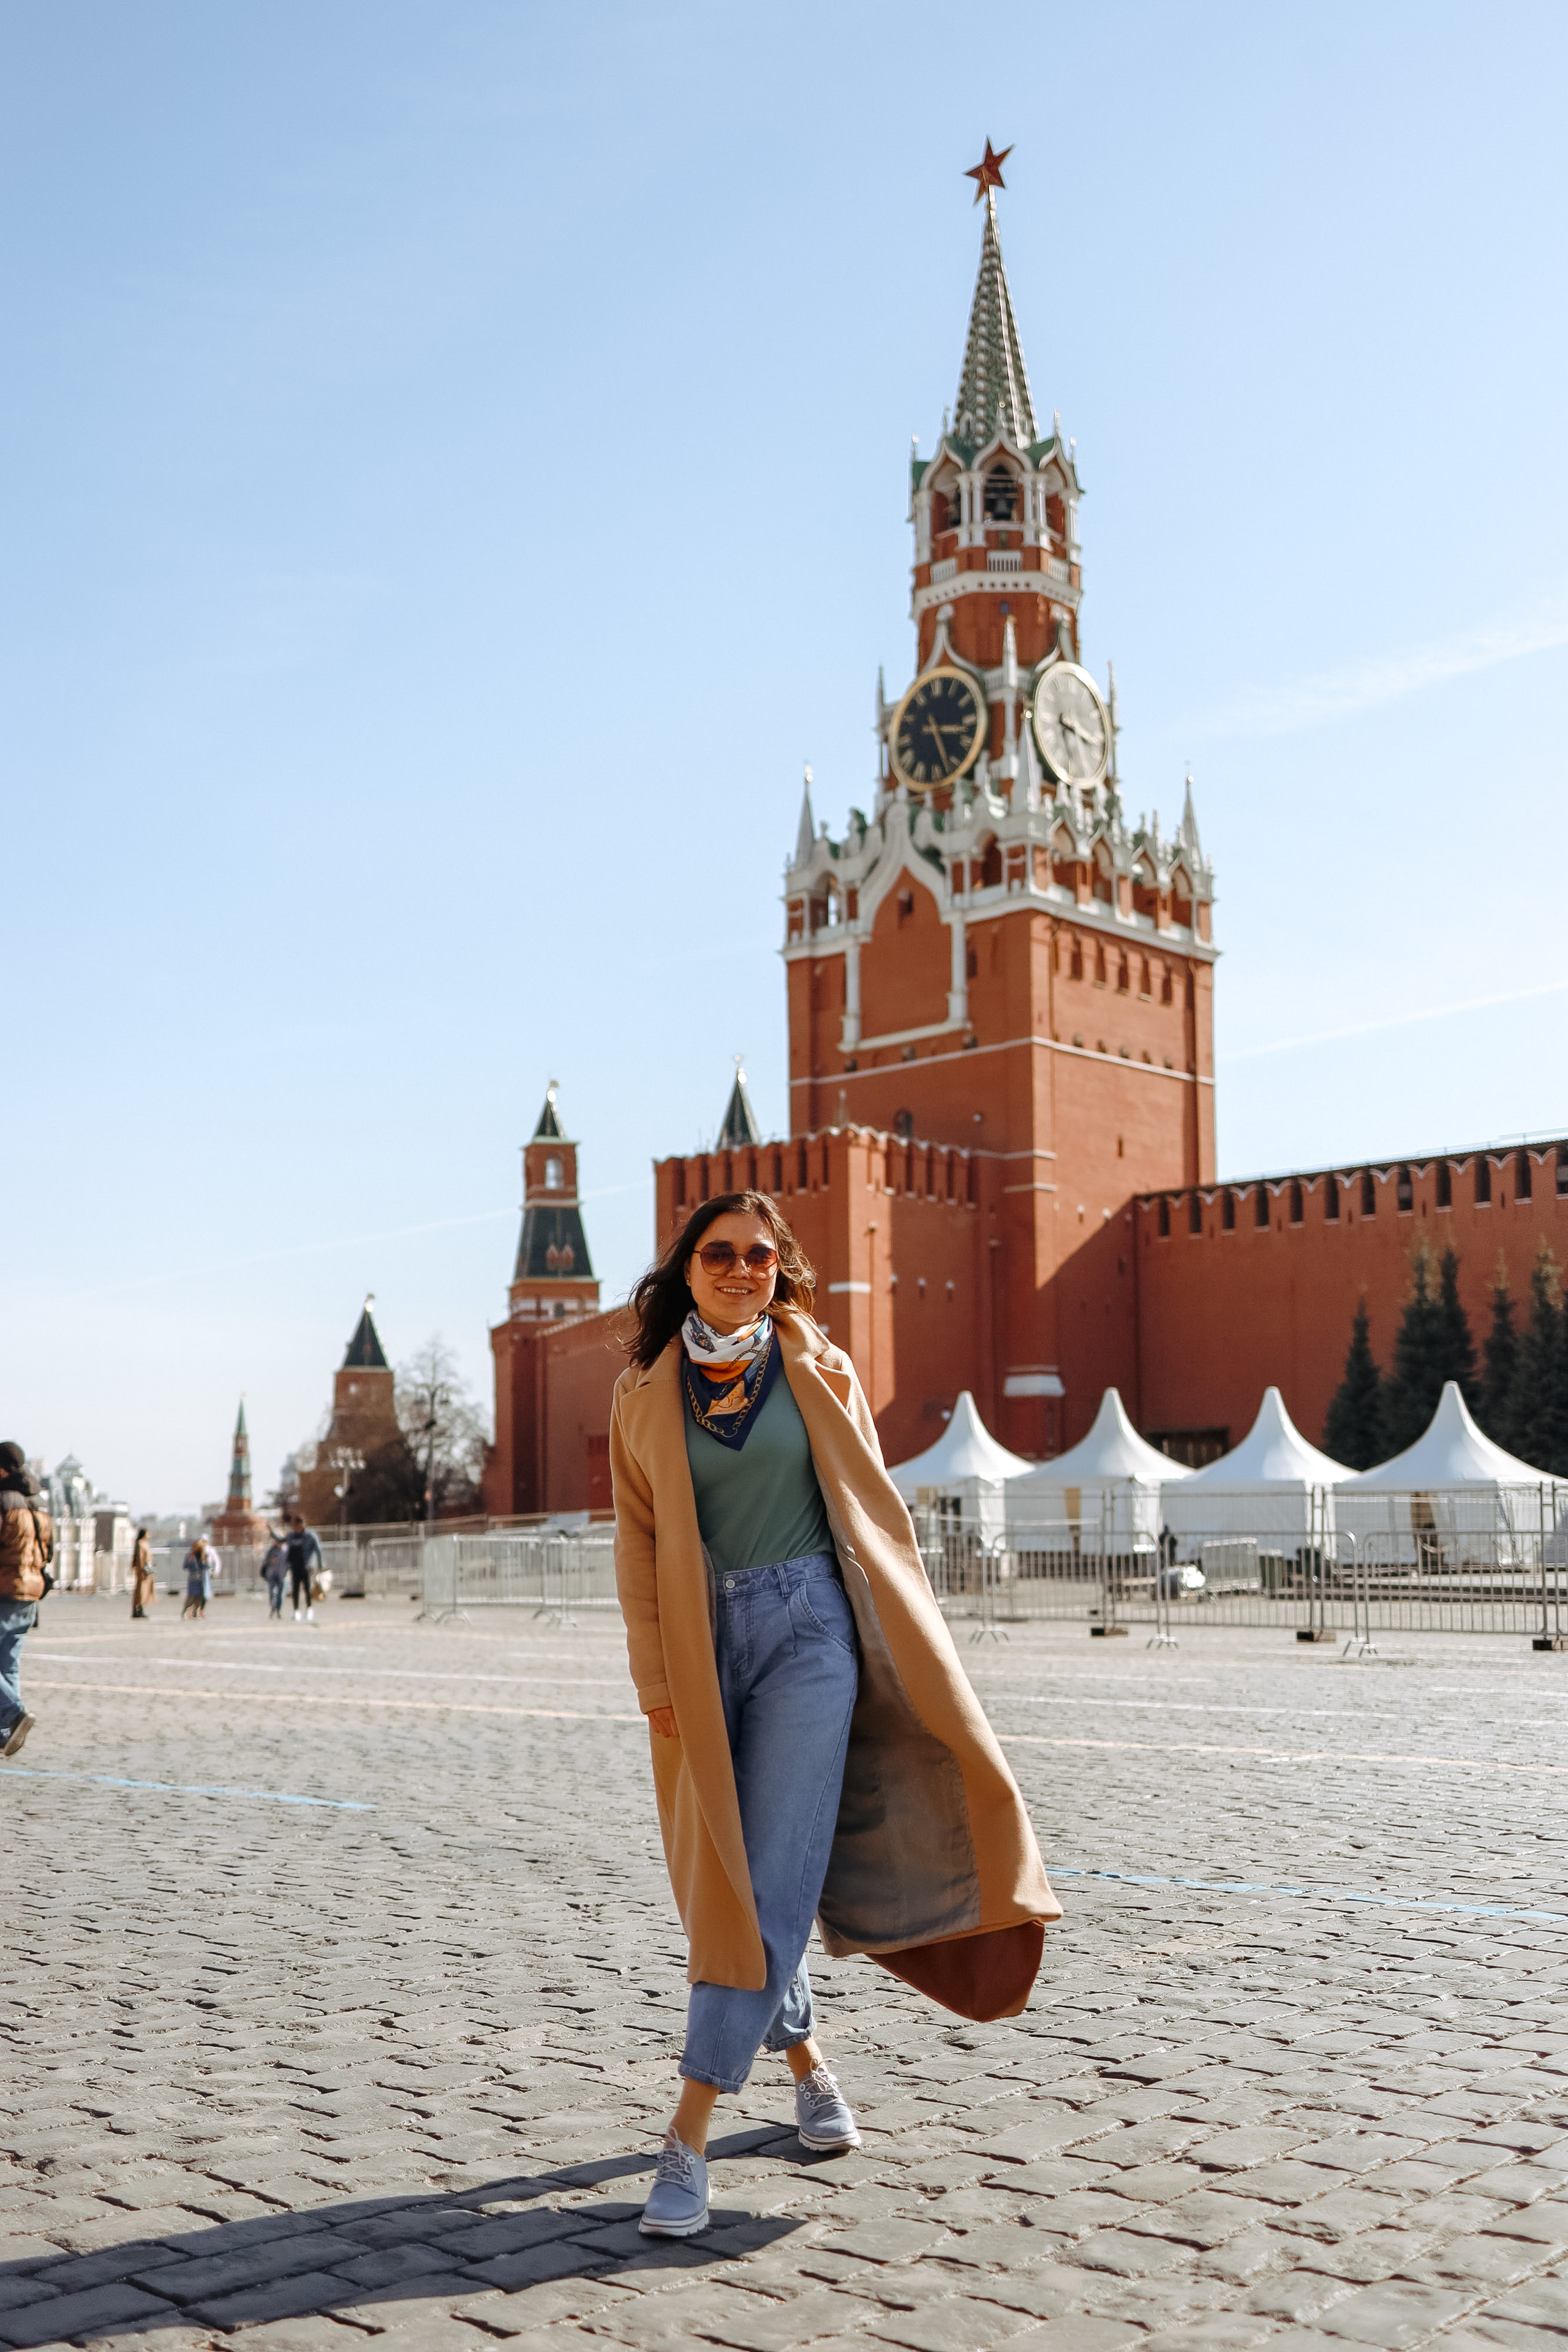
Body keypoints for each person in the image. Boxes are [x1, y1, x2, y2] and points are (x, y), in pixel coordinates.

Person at [611, 1191, 1059, 2240]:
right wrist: (659, 1688)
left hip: (813, 1634)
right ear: (686, 1269)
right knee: (738, 1875)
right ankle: (809, 2066)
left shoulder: (817, 1365)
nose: (739, 1268)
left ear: (781, 1266)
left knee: (767, 1884)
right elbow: (635, 1552)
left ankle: (688, 2134)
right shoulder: (645, 1392)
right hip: (702, 1642)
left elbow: (873, 1508)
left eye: (758, 1254)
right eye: (718, 1253)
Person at [0, 1442, 50, 1757]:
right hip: (31, 1590)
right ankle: (7, 1732)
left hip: (4, 1587)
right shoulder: (39, 1503)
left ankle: (13, 1714)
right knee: (9, 1663)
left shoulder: (4, 1501)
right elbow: (50, 1550)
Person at [285, 1516, 322, 1623]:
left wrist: (320, 1564)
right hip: (294, 1567)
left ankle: (309, 1609)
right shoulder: (291, 1536)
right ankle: (296, 1611)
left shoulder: (310, 1536)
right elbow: (281, 1540)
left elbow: (318, 1549)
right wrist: (272, 1532)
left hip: (306, 1566)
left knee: (307, 1588)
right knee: (295, 1590)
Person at [181, 1539, 213, 1621]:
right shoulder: (189, 1555)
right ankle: (185, 1611)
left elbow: (207, 1567)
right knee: (191, 1597)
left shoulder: (204, 1555)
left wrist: (204, 1561)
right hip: (193, 1579)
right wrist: (190, 1560)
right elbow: (185, 1566)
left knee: (200, 1596)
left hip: (201, 1579)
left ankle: (196, 1612)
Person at [129, 1528, 157, 1619]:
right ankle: (137, 1609)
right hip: (142, 1571)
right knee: (140, 1591)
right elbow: (140, 1557)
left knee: (145, 1591)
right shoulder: (140, 1543)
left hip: (148, 1569)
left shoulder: (146, 1543)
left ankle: (140, 1609)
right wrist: (141, 1570)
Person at [260, 1536, 288, 1620]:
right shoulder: (271, 1551)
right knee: (272, 1593)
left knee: (280, 1594)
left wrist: (286, 1571)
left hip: (281, 1575)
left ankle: (278, 1609)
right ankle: (273, 1608)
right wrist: (270, 1561)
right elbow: (265, 1561)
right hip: (271, 1575)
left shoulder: (284, 1552)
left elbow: (287, 1563)